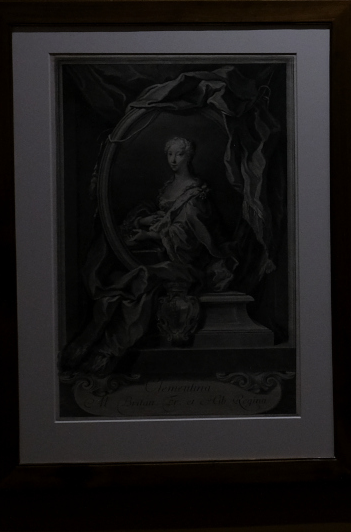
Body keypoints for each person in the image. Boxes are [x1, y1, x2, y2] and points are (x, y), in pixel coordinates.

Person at [62, 135, 234, 370]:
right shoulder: (168, 186)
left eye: (179, 154)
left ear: (189, 156)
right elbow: (164, 217)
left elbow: (190, 235)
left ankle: (107, 347)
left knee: (140, 280)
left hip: (185, 260)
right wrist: (144, 221)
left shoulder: (195, 191)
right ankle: (92, 342)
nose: (174, 160)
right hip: (161, 251)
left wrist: (150, 235)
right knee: (115, 270)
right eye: (170, 154)